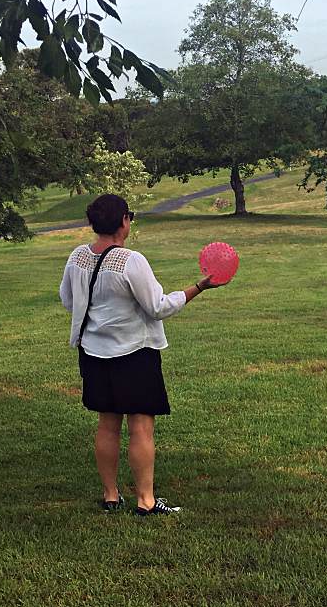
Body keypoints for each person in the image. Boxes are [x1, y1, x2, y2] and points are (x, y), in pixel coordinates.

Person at [60, 194, 222, 515]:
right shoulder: (130, 260)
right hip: (134, 355)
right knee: (140, 426)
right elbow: (158, 307)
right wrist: (198, 287)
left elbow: (68, 300)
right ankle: (145, 501)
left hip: (93, 354)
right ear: (123, 221)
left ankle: (110, 495)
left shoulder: (77, 257)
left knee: (107, 424)